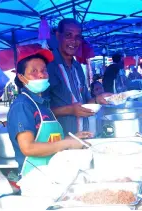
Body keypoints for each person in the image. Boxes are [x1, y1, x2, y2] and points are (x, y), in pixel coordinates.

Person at [7, 45, 93, 176]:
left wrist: (72, 138)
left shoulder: (43, 104)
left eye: (44, 70)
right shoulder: (23, 105)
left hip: (51, 173)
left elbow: (48, 140)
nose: (41, 75)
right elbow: (28, 147)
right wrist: (67, 143)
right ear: (21, 77)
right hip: (35, 177)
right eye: (34, 71)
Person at [46, 18, 111, 135]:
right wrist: (70, 110)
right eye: (68, 35)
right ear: (58, 35)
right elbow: (39, 110)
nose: (73, 41)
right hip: (61, 139)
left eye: (78, 37)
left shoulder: (77, 67)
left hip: (84, 135)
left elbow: (85, 102)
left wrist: (98, 99)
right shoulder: (48, 66)